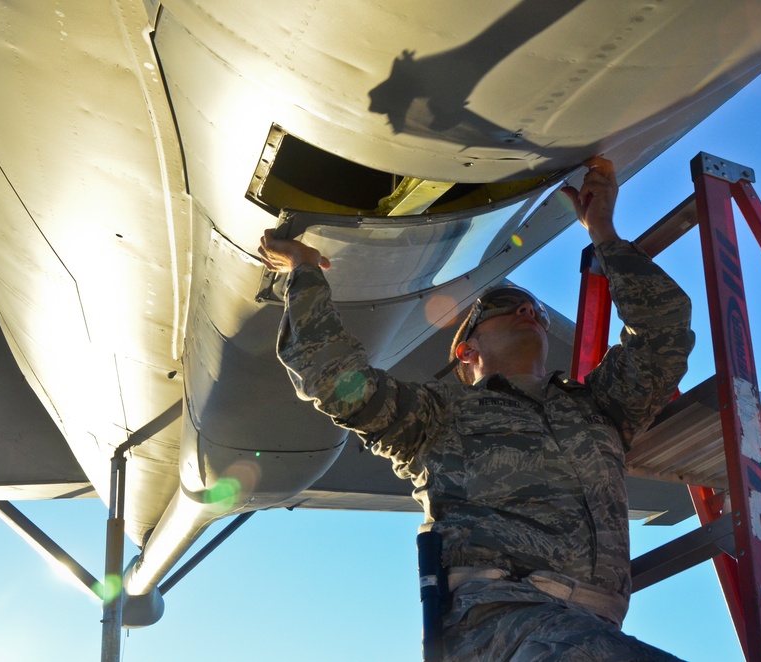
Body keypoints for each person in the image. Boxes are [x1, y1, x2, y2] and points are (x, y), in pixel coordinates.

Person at [259, 156, 694, 661]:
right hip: (498, 622)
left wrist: (602, 231)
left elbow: (664, 331)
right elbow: (330, 376)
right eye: (505, 304)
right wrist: (305, 272)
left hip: (589, 628)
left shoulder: (602, 409)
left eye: (531, 305)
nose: (527, 309)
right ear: (466, 350)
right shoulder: (438, 418)